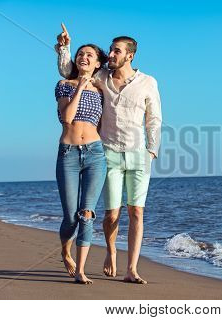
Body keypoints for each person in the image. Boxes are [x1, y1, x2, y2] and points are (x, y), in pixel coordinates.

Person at [55, 23, 162, 284]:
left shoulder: (148, 82)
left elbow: (154, 119)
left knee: (137, 212)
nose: (111, 55)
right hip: (107, 152)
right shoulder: (100, 77)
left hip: (138, 153)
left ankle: (132, 269)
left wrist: (152, 151)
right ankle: (111, 251)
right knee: (111, 214)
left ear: (130, 55)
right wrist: (65, 47)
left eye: (116, 51)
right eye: (111, 51)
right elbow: (71, 70)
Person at [55, 41, 108, 284]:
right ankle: (65, 251)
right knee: (71, 217)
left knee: (87, 213)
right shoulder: (64, 85)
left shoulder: (102, 90)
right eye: (80, 54)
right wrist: (80, 87)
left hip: (95, 154)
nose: (84, 57)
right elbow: (66, 118)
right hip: (69, 153)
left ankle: (81, 271)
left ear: (98, 63)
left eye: (89, 55)